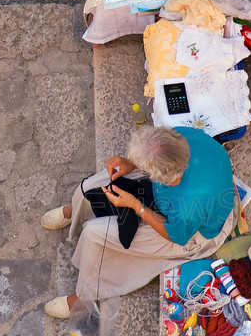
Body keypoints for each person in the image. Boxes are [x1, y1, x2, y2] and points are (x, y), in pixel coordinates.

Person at [40, 126, 238, 319]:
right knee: (94, 186)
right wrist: (129, 163)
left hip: (192, 234)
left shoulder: (188, 207)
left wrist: (136, 206)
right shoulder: (180, 138)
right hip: (183, 192)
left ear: (162, 179)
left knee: (95, 235)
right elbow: (157, 155)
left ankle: (82, 299)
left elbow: (175, 236)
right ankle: (75, 211)